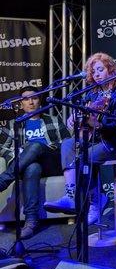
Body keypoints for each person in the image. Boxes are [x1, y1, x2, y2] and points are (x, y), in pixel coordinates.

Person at [44, 52, 116, 225]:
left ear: (111, 70)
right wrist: (74, 117)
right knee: (68, 144)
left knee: (84, 157)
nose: (96, 74)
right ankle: (70, 196)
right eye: (94, 71)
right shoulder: (92, 94)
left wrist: (92, 121)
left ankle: (95, 201)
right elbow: (81, 112)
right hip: (94, 139)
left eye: (100, 69)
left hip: (113, 141)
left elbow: (113, 126)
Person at [0, 87, 69, 239]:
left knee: (35, 146)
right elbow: (2, 147)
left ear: (40, 100)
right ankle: (31, 221)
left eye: (35, 97)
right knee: (32, 167)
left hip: (51, 162)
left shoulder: (54, 120)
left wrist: (47, 148)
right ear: (21, 104)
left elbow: (67, 143)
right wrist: (17, 154)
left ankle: (4, 180)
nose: (31, 102)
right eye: (26, 99)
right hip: (27, 165)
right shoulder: (14, 124)